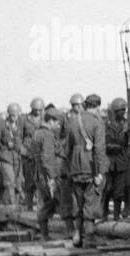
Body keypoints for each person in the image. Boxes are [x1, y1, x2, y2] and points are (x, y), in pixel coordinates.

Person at [63, 94, 106, 248]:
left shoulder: (73, 122)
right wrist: (99, 173)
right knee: (91, 202)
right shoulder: (97, 123)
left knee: (78, 203)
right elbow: (99, 150)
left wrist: (71, 168)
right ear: (97, 107)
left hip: (75, 169)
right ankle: (89, 238)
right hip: (91, 168)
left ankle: (77, 235)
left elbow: (66, 150)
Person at [33, 107, 63, 238]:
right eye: (56, 122)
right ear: (50, 120)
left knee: (47, 202)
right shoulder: (47, 135)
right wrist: (52, 178)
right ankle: (46, 234)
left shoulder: (37, 133)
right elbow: (47, 158)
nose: (58, 125)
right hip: (47, 175)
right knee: (54, 201)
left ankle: (45, 234)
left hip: (39, 174)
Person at [56, 94, 83, 235]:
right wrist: (62, 151)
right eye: (75, 105)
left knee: (79, 194)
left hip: (78, 159)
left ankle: (80, 227)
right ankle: (68, 226)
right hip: (66, 159)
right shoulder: (64, 118)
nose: (78, 108)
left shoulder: (84, 118)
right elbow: (57, 137)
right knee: (66, 193)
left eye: (79, 105)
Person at [0, 103, 24, 206]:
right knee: (9, 181)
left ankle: (14, 205)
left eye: (16, 114)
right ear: (8, 114)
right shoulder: (1, 125)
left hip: (17, 158)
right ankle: (11, 205)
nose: (14, 117)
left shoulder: (20, 125)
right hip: (5, 157)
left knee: (17, 183)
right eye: (12, 115)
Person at [102, 98, 129, 220]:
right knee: (107, 189)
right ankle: (104, 213)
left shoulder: (127, 125)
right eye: (120, 110)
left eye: (124, 110)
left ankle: (116, 216)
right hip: (109, 161)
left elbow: (128, 143)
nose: (122, 112)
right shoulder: (107, 125)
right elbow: (105, 143)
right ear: (114, 111)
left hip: (122, 161)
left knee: (119, 191)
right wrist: (117, 146)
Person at [20, 97, 45, 210]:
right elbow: (18, 138)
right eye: (36, 109)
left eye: (40, 110)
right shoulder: (24, 119)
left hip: (41, 154)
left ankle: (42, 207)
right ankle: (29, 206)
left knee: (41, 181)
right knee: (29, 181)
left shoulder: (45, 119)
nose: (38, 112)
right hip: (28, 154)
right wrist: (23, 151)